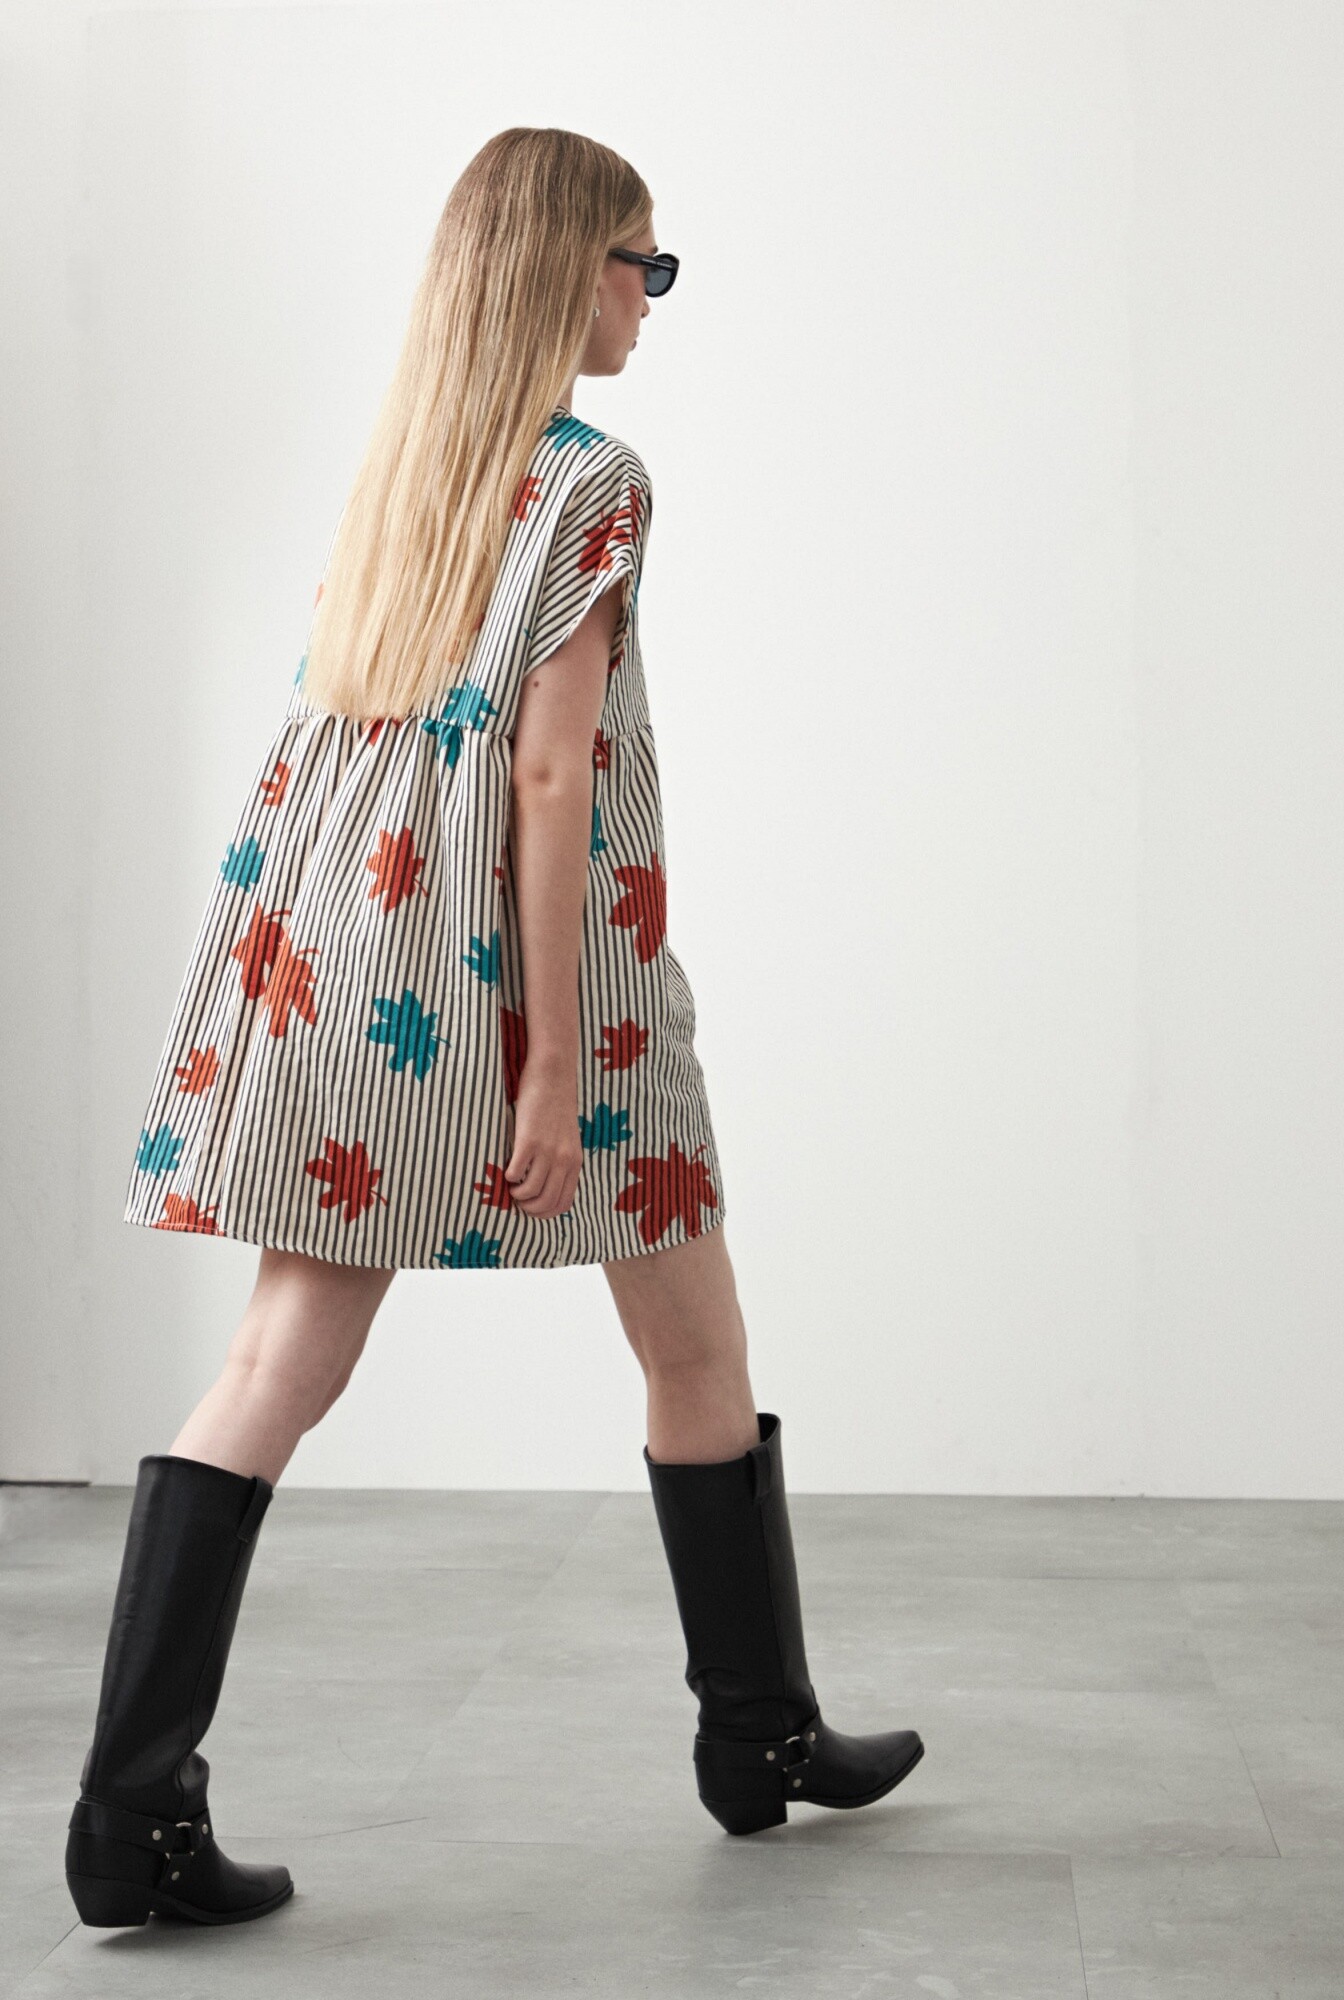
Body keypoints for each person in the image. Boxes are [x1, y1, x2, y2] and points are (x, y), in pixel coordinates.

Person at [65, 126, 924, 1932]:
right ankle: (756, 1733)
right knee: (694, 1339)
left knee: (274, 1363)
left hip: (340, 950)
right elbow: (546, 775)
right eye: (641, 263)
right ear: (563, 271)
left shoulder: (405, 472)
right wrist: (546, 1059)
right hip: (537, 973)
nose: (653, 299)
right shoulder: (596, 481)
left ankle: (131, 1811)